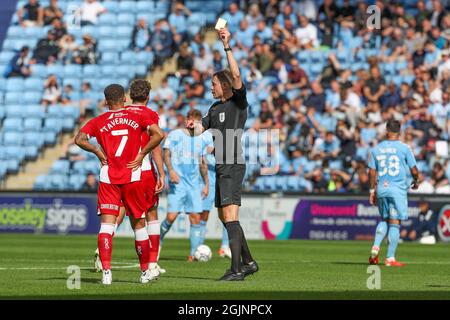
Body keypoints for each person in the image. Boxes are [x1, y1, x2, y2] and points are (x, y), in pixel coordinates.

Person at [185, 27, 258, 281]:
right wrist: (193, 128)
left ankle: (236, 269)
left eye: (213, 84)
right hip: (222, 165)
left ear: (225, 85)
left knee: (230, 215)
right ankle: (248, 262)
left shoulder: (238, 102)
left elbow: (236, 73)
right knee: (224, 216)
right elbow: (199, 131)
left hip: (234, 163)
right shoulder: (215, 108)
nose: (211, 88)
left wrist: (227, 45)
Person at [75, 84, 164, 285]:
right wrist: (142, 154)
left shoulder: (98, 121)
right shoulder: (138, 116)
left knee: (106, 226)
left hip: (109, 177)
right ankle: (145, 272)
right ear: (124, 99)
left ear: (106, 101)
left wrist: (98, 151)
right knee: (139, 225)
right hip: (133, 175)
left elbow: (79, 139)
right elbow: (159, 134)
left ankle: (107, 273)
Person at [368, 120, 419, 267]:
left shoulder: (377, 149)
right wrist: (416, 181)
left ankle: (376, 247)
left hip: (382, 189)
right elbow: (414, 170)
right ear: (400, 132)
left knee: (384, 219)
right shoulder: (404, 148)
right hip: (397, 190)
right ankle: (390, 258)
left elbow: (372, 172)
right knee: (395, 223)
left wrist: (372, 191)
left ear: (386, 131)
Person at [160, 109, 209, 261]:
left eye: (196, 121)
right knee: (171, 217)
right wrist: (171, 171)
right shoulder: (175, 135)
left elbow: (202, 163)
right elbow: (166, 154)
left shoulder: (201, 139)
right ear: (186, 120)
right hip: (178, 182)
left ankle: (193, 254)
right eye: (191, 120)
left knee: (195, 217)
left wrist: (206, 183)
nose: (193, 123)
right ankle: (157, 240)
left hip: (194, 185)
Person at [198, 130, 231, 259]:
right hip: (208, 180)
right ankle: (199, 246)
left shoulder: (228, 134)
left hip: (223, 178)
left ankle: (225, 247)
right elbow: (200, 154)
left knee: (227, 213)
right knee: (204, 214)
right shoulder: (205, 135)